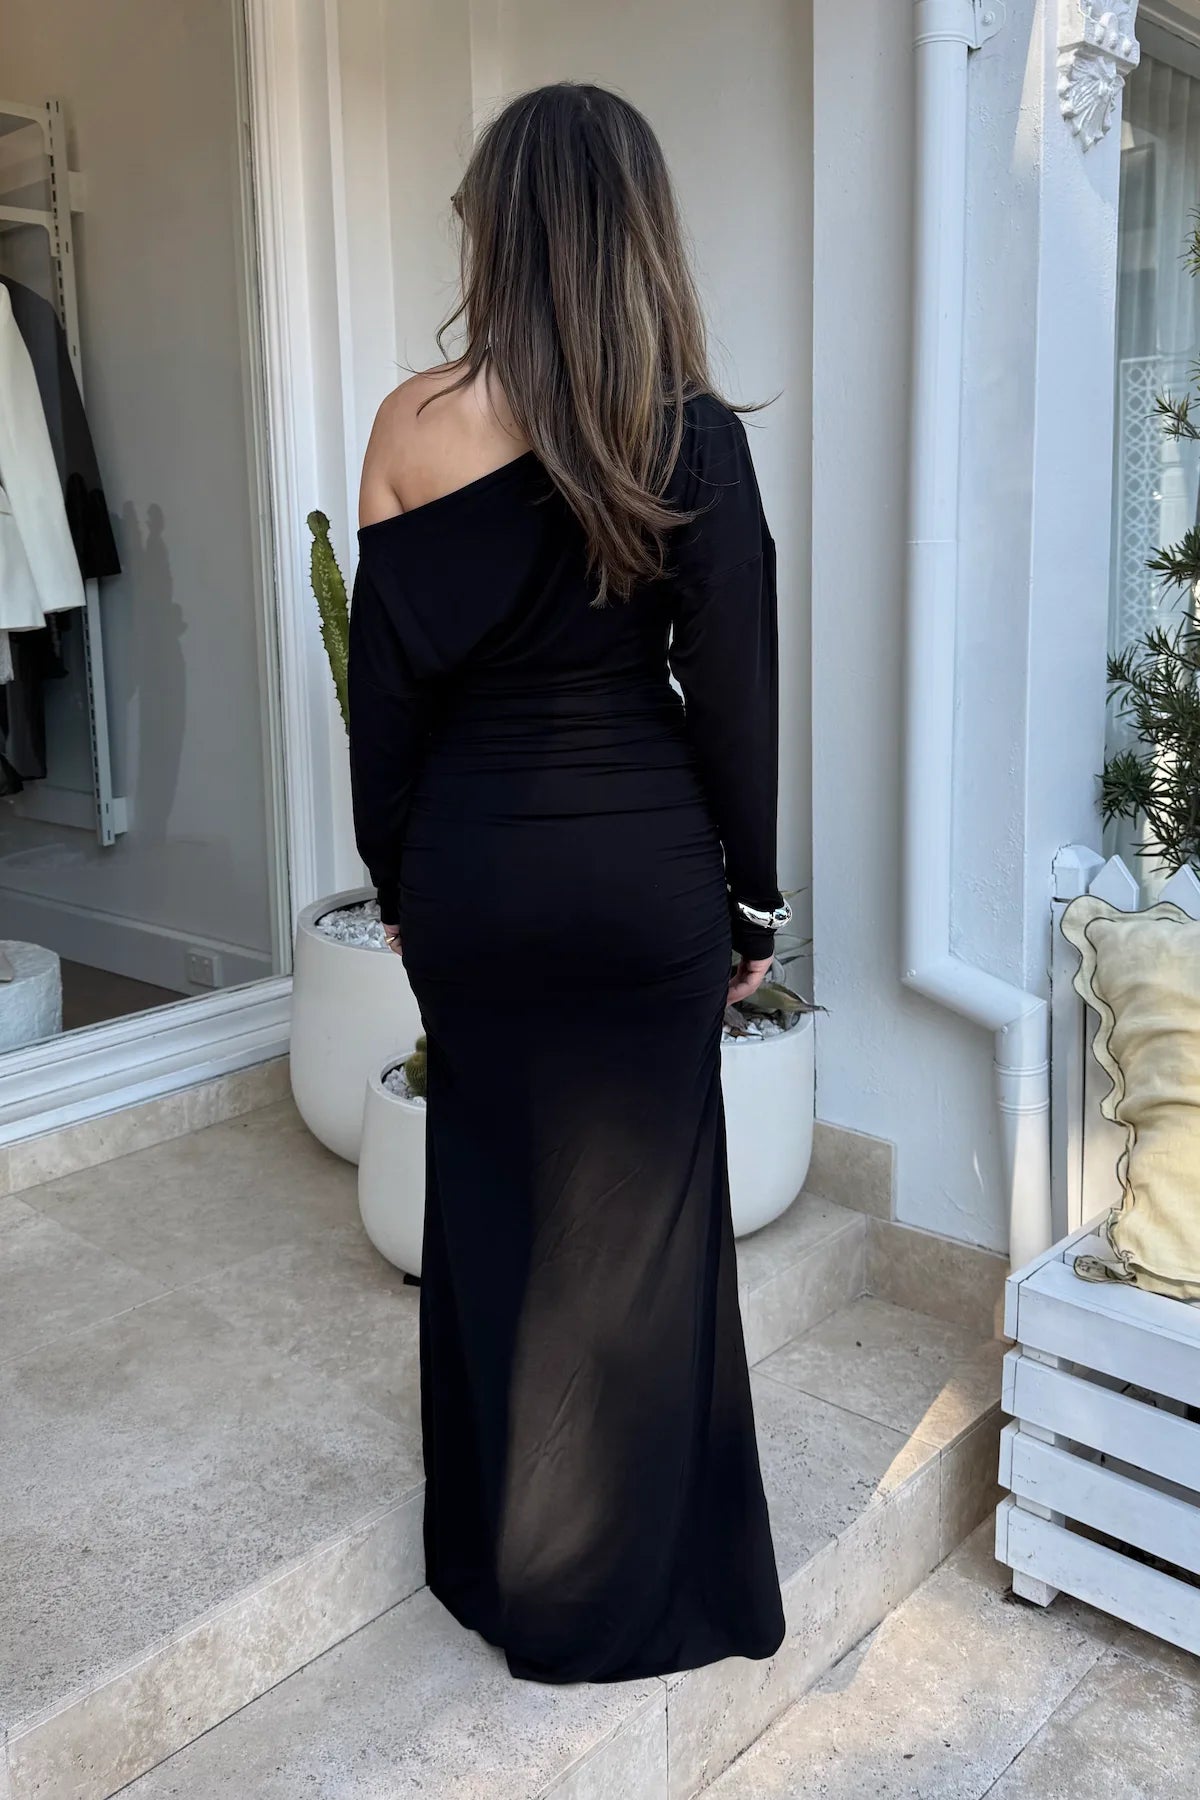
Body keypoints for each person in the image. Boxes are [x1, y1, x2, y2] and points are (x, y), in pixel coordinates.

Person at [348, 80, 788, 1685]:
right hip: (643, 868)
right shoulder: (689, 430)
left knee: (490, 1205)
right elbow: (733, 685)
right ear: (638, 233)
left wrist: (395, 879)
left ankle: (497, 1566)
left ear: (498, 228)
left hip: (473, 865)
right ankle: (643, 1592)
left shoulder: (411, 423)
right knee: (646, 1236)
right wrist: (753, 899)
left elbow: (382, 695)